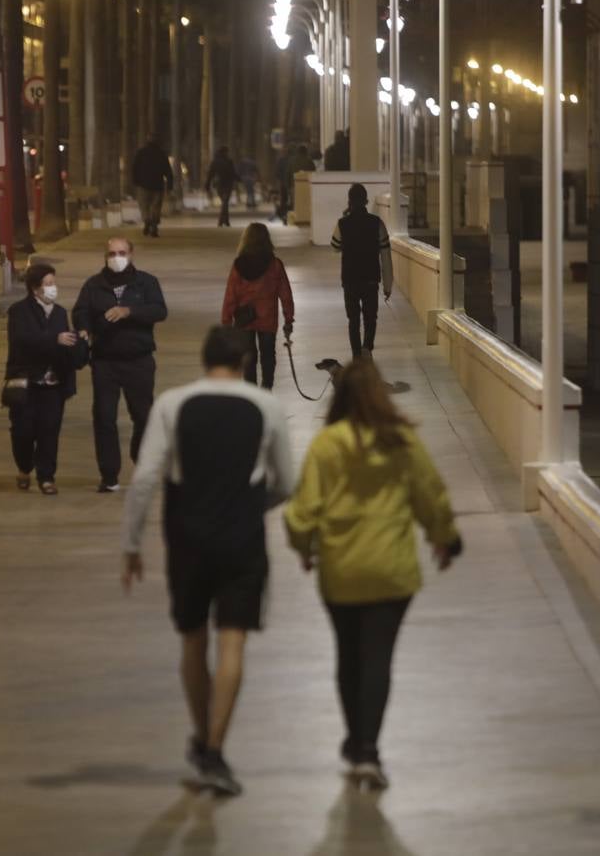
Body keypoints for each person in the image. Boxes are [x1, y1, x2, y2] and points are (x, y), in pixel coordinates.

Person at [121, 325, 295, 796]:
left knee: (193, 643)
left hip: (188, 541)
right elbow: (287, 482)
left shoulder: (172, 405)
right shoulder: (266, 407)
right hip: (242, 540)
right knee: (233, 643)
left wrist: (132, 544)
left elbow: (144, 480)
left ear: (203, 360)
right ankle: (216, 749)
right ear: (242, 363)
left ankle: (201, 740)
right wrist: (251, 505)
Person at [284, 358, 461, 789]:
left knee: (349, 656)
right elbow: (429, 494)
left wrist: (304, 547)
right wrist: (445, 536)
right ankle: (368, 751)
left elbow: (302, 510)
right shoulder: (400, 440)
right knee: (378, 658)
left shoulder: (328, 444)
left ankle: (354, 738)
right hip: (391, 569)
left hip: (341, 568)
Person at [72, 237, 168, 492]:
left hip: (139, 360)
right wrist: (83, 330)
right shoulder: (94, 286)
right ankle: (109, 475)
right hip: (105, 361)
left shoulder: (146, 283)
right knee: (104, 417)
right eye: (112, 253)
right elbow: (81, 312)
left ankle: (141, 459)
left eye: (121, 252)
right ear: (105, 256)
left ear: (131, 254)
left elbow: (159, 310)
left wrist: (129, 311)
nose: (116, 257)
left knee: (144, 416)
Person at [4, 263, 89, 495]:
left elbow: (65, 345)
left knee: (49, 432)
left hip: (54, 385)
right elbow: (22, 341)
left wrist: (79, 342)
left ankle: (46, 477)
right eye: (48, 284)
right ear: (35, 288)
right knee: (22, 432)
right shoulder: (19, 311)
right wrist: (55, 340)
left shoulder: (61, 313)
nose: (53, 288)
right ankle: (24, 467)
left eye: (54, 283)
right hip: (26, 383)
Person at [220, 222, 295, 390]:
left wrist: (226, 321)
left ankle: (251, 391)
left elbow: (231, 295)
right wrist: (288, 318)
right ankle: (267, 388)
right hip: (268, 318)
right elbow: (285, 294)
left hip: (244, 319)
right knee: (268, 356)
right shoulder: (275, 264)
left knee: (248, 357)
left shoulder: (238, 265)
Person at [329, 184, 393, 358]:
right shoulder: (377, 223)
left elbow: (334, 247)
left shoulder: (343, 223)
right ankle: (367, 348)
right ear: (366, 201)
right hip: (371, 278)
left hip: (350, 279)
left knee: (353, 320)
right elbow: (386, 257)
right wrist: (388, 285)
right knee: (370, 317)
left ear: (349, 201)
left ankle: (356, 354)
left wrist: (346, 218)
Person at [133, 137, 175, 237]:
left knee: (144, 205)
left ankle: (147, 220)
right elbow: (168, 171)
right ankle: (154, 224)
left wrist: (135, 181)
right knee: (156, 206)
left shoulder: (141, 153)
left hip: (143, 184)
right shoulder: (161, 154)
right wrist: (169, 185)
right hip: (157, 185)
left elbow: (134, 168)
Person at [206, 147, 239, 228]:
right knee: (225, 202)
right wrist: (239, 179)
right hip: (228, 184)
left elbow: (211, 173)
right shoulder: (229, 161)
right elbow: (233, 172)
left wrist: (207, 184)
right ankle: (223, 220)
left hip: (219, 184)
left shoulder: (215, 162)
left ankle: (225, 221)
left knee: (224, 202)